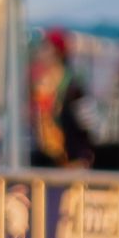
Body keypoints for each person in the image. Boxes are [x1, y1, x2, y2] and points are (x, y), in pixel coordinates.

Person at [31, 30, 94, 168]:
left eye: (44, 46)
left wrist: (82, 156)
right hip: (47, 157)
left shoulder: (72, 84)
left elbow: (87, 124)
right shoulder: (42, 82)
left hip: (72, 158)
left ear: (56, 52)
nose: (40, 51)